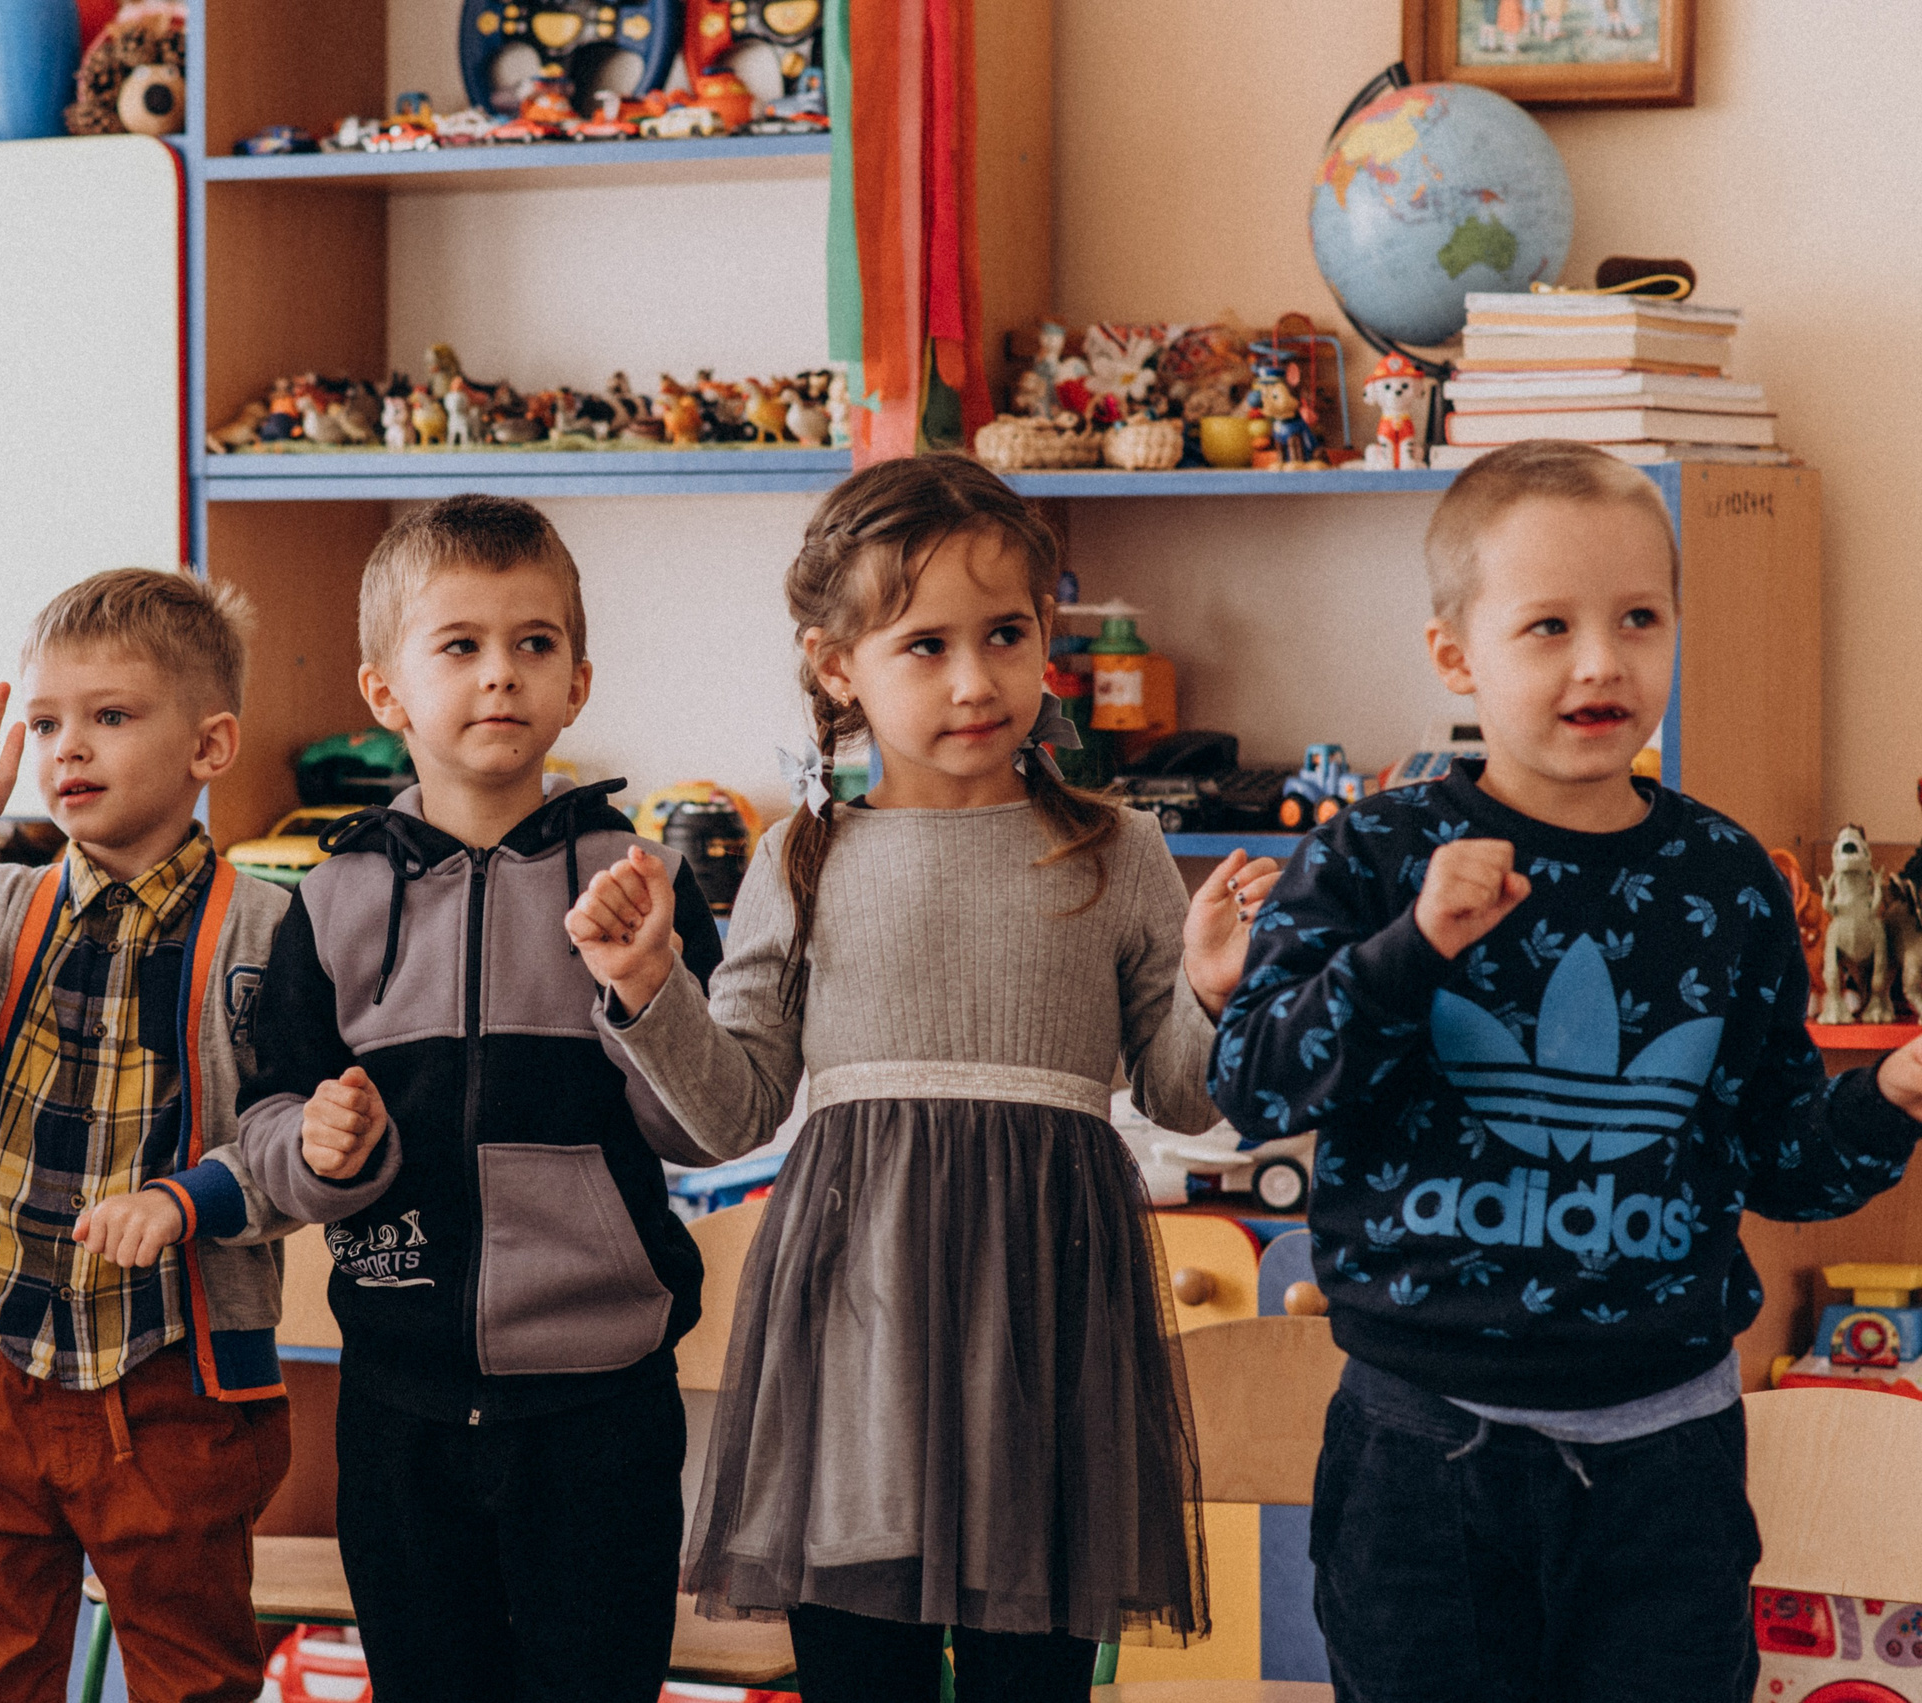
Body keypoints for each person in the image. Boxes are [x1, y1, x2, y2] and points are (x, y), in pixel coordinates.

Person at [1210, 440, 1922, 1702]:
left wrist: (1890, 1097)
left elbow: (1780, 1163)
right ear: (1454, 656)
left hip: (1667, 1463)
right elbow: (1257, 1085)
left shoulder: (1725, 878)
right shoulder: (1378, 852)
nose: (1601, 659)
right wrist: (1408, 949)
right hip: (1420, 1453)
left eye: (1638, 617)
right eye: (1547, 624)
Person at [563, 454, 1278, 1702]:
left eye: (1005, 633)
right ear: (837, 665)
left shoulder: (1119, 849)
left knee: (1029, 1673)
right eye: (924, 645)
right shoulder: (801, 855)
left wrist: (1216, 986)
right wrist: (646, 984)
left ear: (1045, 635)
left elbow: (1181, 1098)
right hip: (860, 1321)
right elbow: (730, 1109)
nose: (973, 679)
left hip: (1050, 1308)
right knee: (860, 1659)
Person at [236, 494, 726, 1703]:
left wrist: (645, 988)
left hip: (601, 1407)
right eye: (458, 644)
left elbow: (703, 1123)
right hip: (396, 1404)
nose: (500, 674)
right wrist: (314, 1144)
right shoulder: (332, 896)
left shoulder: (639, 879)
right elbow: (260, 1128)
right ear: (385, 690)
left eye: (533, 643)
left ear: (579, 681)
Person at [0, 568, 298, 1703]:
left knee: (190, 1674)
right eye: (46, 720)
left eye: (110, 716)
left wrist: (191, 1195)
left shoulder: (270, 928)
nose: (68, 748)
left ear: (210, 745)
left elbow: (300, 1141)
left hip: (171, 1384)